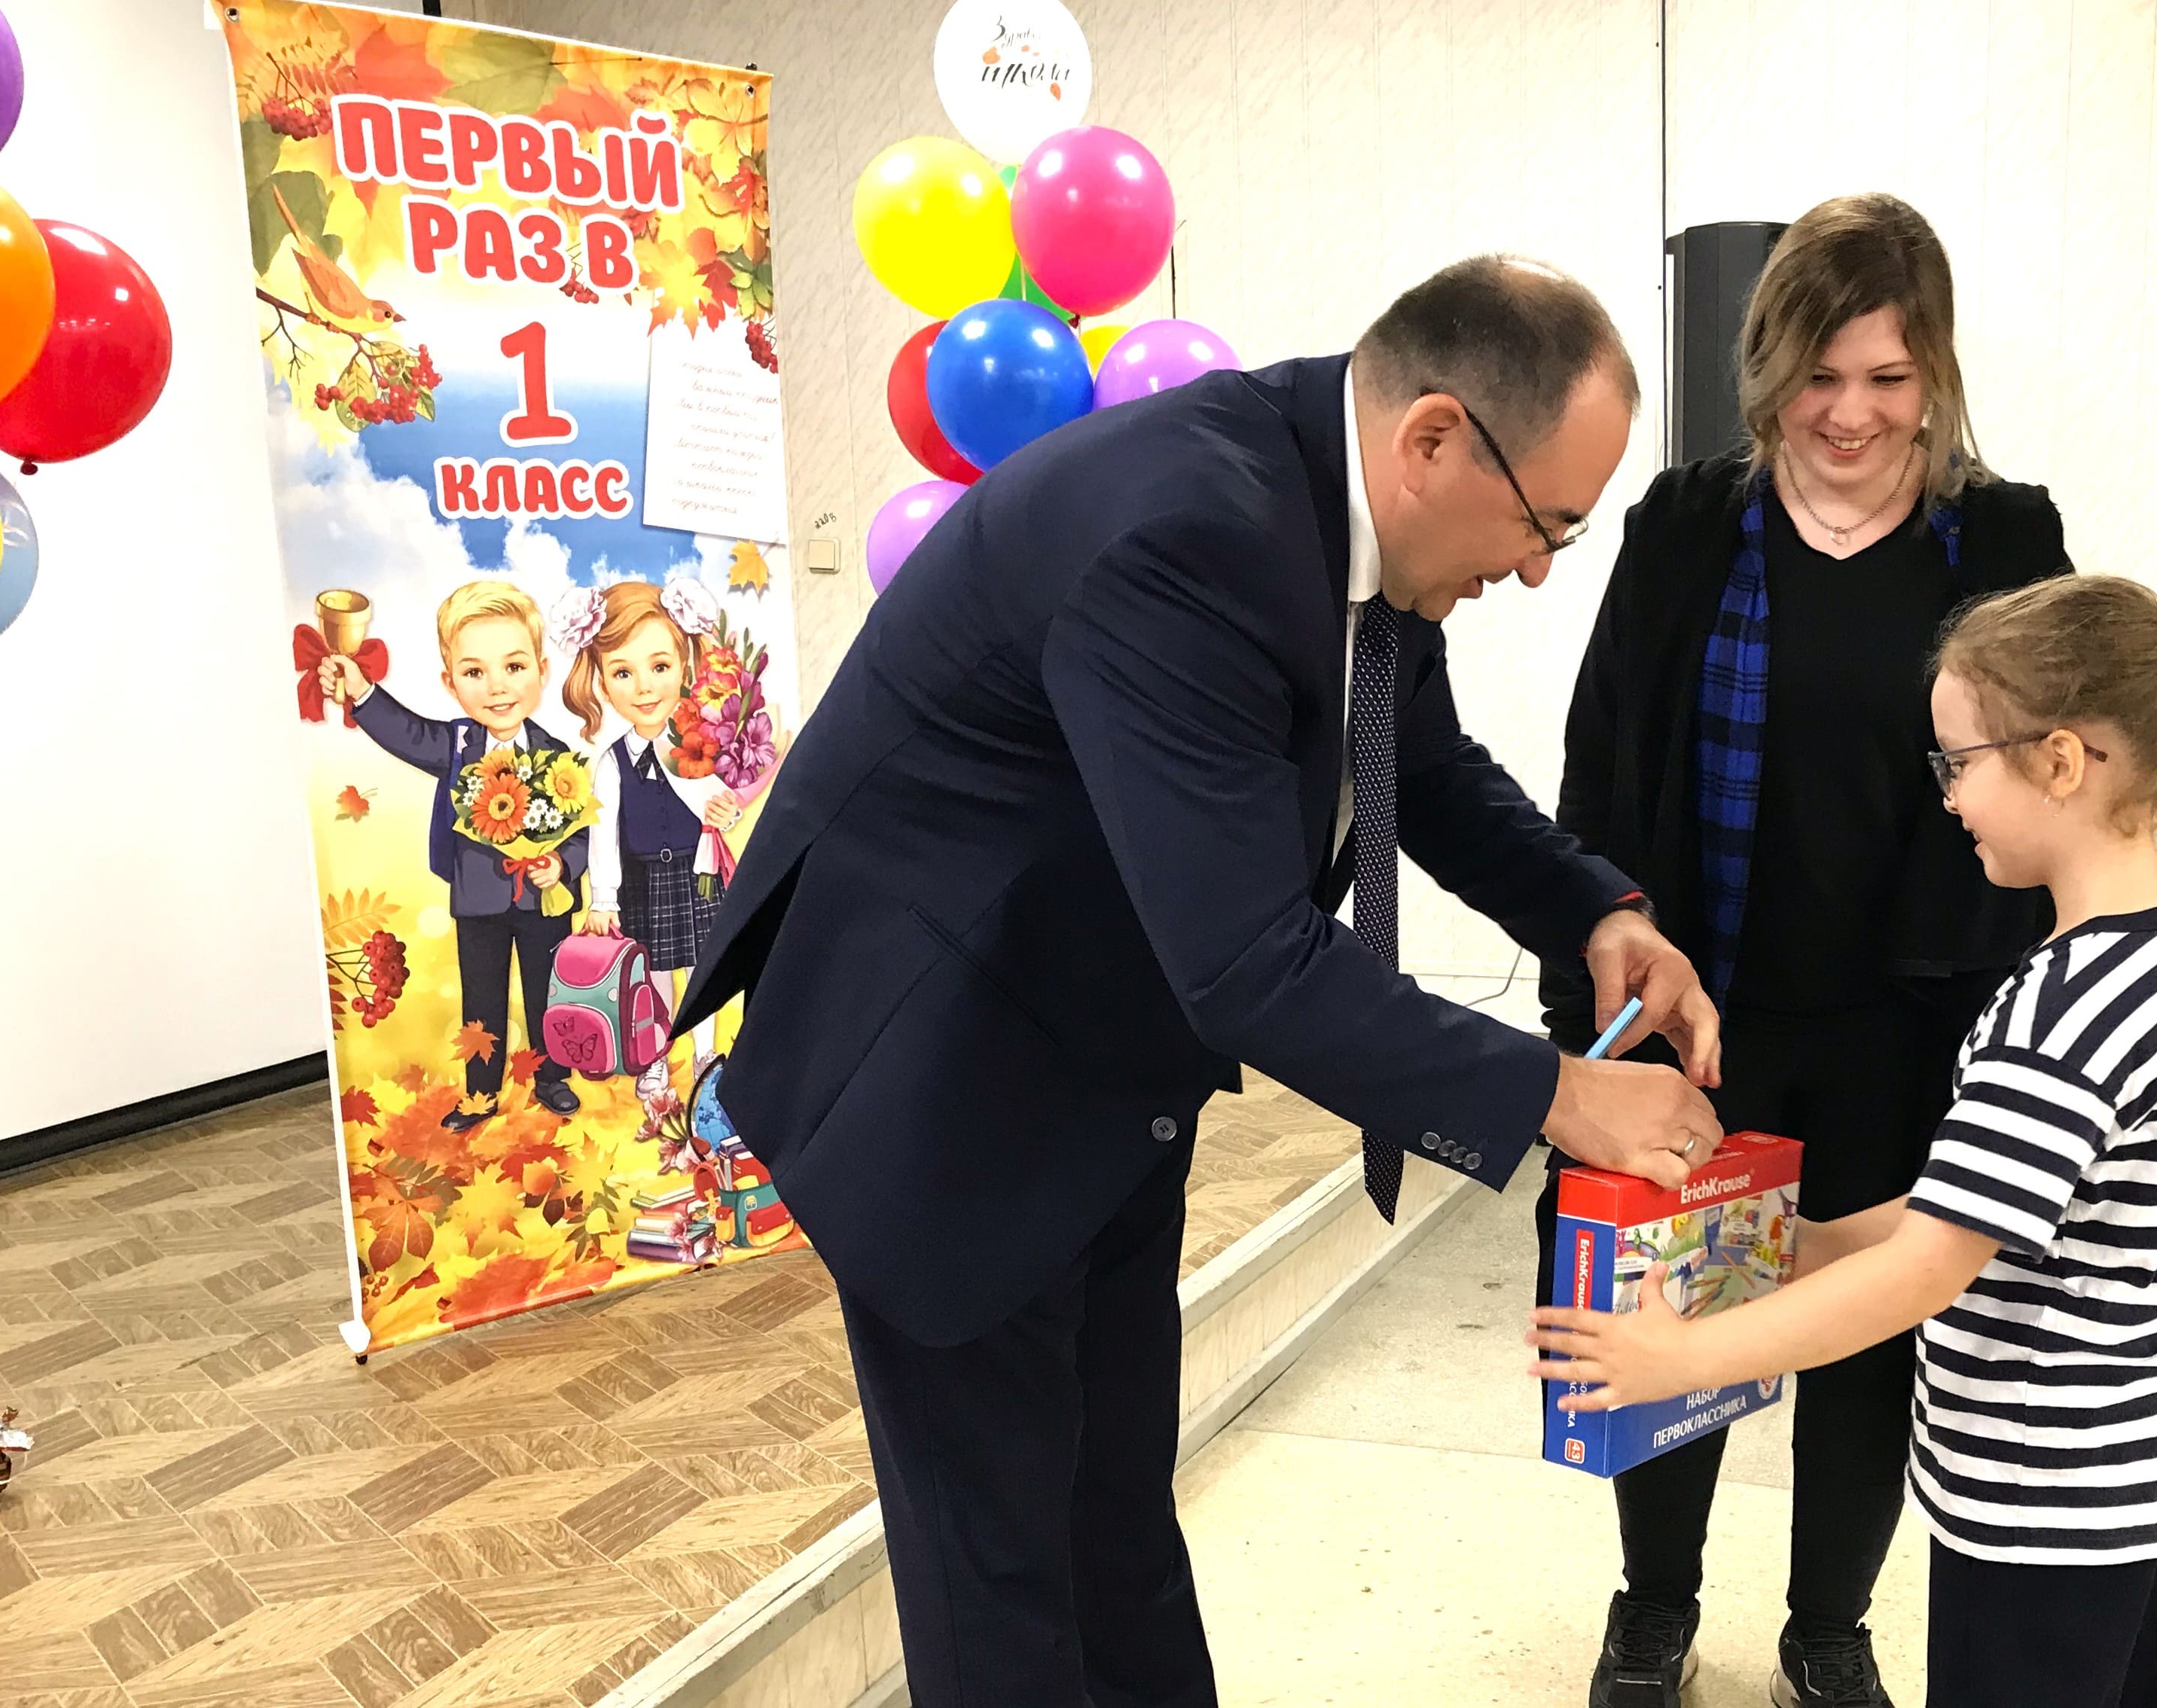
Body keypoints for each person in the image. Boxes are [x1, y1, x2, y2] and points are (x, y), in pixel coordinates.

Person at [678, 258, 1730, 1708]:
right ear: (1432, 437)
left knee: (1114, 1518)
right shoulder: (1189, 536)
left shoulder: (1342, 515)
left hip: (1105, 1064)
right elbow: (1249, 964)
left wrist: (1595, 909)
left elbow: (1414, 764)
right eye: (1544, 523)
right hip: (944, 1086)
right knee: (1001, 1587)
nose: (1542, 567)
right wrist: (1557, 1093)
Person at [1534, 576, 2157, 1708]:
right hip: (2139, 1483)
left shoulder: (2061, 1011)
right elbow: (1985, 1208)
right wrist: (1799, 1247)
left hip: (2042, 1504)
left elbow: (1930, 1270)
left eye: (1958, 763)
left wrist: (1682, 1360)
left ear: (2060, 761)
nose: (1945, 796)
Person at [1540, 191, 2067, 1708]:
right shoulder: (1687, 524)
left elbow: (2052, 780)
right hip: (1705, 1010)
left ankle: (1828, 1625)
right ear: (1769, 366)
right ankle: (1656, 1603)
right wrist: (1598, 972)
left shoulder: (2004, 538)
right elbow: (1603, 759)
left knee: (1868, 1328)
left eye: (1888, 378)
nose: (1849, 413)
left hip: (1913, 1023)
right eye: (1817, 376)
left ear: (1933, 372)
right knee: (1679, 1307)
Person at [317, 580, 583, 1129]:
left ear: (541, 671)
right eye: (474, 672)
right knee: (481, 1001)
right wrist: (362, 692)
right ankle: (481, 1094)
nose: (497, 688)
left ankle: (551, 1078)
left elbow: (582, 830)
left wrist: (562, 865)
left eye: (514, 667)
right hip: (479, 901)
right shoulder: (457, 745)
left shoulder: (557, 755)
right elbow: (408, 733)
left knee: (548, 994)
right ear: (450, 682)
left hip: (544, 903)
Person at [555, 578, 745, 1058]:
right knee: (653, 970)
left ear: (684, 666)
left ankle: (704, 1054)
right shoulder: (612, 763)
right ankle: (658, 1053)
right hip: (642, 880)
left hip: (696, 873)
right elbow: (603, 834)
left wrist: (727, 812)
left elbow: (719, 799)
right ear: (602, 683)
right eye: (623, 673)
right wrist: (603, 898)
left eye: (659, 666)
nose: (643, 687)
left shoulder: (699, 742)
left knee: (702, 968)